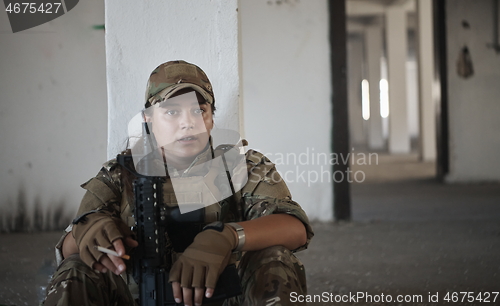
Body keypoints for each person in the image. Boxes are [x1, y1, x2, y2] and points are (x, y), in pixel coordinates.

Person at [42, 60, 314, 306]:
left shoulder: (242, 165)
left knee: (275, 258)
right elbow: (68, 250)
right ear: (148, 118)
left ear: (211, 117)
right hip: (137, 296)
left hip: (223, 296)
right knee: (76, 268)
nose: (188, 123)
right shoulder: (119, 173)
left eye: (199, 110)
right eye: (172, 112)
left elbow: (294, 227)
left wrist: (228, 236)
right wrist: (87, 231)